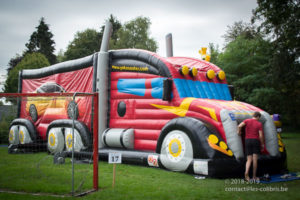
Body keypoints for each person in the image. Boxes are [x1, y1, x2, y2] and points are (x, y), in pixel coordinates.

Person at [237, 111, 264, 181]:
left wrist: (239, 132)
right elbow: (260, 136)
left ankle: (246, 173)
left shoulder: (247, 121)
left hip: (247, 140)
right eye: (259, 118)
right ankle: (254, 176)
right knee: (255, 160)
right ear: (258, 117)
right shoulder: (259, 123)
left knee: (249, 159)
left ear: (253, 116)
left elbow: (239, 126)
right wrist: (262, 144)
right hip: (255, 141)